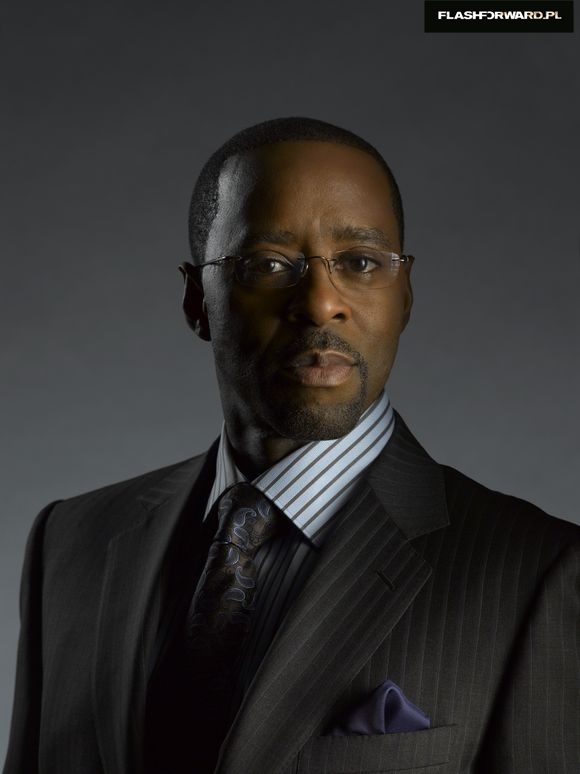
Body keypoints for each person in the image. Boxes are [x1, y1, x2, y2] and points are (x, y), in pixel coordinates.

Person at [4, 117, 579, 774]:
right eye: (269, 264)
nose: (320, 303)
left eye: (360, 262)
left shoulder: (538, 574)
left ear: (405, 296)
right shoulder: (70, 543)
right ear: (197, 300)